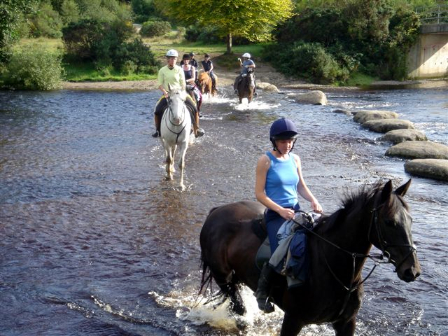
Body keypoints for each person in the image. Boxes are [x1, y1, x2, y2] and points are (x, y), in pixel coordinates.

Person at [254, 117, 323, 313]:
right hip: (277, 214)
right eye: (283, 141)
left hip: (296, 210)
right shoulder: (265, 160)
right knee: (283, 248)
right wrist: (280, 210)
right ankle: (262, 292)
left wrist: (313, 200)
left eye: (291, 141)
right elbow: (259, 194)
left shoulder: (295, 159)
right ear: (274, 141)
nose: (287, 145)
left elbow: (300, 185)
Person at [152, 49, 204, 138]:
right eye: (171, 58)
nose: (173, 60)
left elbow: (183, 83)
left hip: (180, 93)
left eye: (174, 59)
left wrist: (182, 92)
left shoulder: (179, 69)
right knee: (157, 110)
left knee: (194, 108)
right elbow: (160, 84)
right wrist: (165, 92)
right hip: (168, 94)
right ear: (167, 59)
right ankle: (158, 130)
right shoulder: (162, 70)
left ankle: (196, 129)